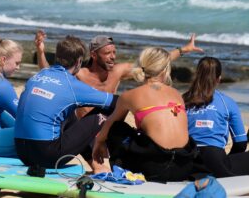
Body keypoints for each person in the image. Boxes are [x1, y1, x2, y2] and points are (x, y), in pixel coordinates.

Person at [35, 30, 203, 117]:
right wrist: (40, 51)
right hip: (87, 129)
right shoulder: (81, 74)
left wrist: (182, 50)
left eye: (114, 52)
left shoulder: (118, 71)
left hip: (110, 127)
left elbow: (153, 64)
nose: (113, 57)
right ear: (93, 55)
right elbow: (48, 73)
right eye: (108, 53)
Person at [92, 47, 197, 182]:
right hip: (184, 168)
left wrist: (98, 142)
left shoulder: (130, 95)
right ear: (165, 70)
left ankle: (122, 169)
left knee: (117, 127)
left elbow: (110, 125)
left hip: (154, 170)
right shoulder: (177, 94)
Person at [15, 35, 115, 175]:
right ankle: (108, 162)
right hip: (46, 156)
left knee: (69, 114)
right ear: (79, 61)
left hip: (21, 151)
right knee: (101, 113)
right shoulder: (71, 84)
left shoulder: (38, 75)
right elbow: (115, 102)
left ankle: (96, 166)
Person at [184, 57, 249, 178]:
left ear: (197, 74)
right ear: (219, 79)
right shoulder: (227, 102)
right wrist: (230, 159)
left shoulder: (182, 100)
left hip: (187, 161)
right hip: (215, 162)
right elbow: (240, 143)